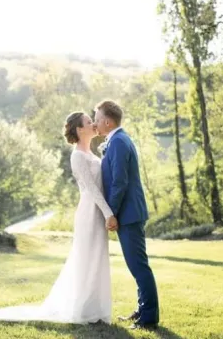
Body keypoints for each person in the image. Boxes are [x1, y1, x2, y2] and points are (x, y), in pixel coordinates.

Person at [0, 111, 116, 324]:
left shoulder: (94, 154)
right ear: (79, 129)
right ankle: (84, 310)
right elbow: (92, 190)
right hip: (89, 212)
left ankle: (95, 309)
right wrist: (109, 213)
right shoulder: (77, 156)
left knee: (97, 259)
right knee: (87, 259)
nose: (93, 123)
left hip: (98, 211)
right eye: (88, 121)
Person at [93, 100, 159, 330]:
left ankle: (149, 317)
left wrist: (110, 213)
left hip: (129, 214)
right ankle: (143, 308)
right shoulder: (117, 141)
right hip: (128, 213)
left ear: (108, 122)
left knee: (138, 266)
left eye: (97, 118)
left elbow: (120, 182)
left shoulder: (119, 142)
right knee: (136, 265)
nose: (95, 122)